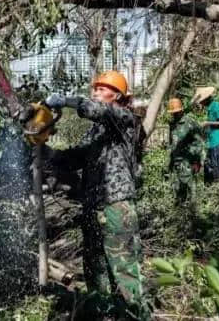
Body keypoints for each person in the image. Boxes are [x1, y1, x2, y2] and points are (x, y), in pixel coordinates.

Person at [45, 71, 151, 321]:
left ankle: (138, 315)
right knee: (95, 271)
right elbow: (73, 158)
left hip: (116, 205)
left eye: (102, 89)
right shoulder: (95, 133)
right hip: (93, 207)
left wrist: (67, 101)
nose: (96, 92)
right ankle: (103, 315)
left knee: (124, 271)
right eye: (95, 89)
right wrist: (44, 152)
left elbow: (96, 110)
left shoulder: (123, 118)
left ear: (117, 96)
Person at [167, 98, 204, 204]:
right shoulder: (172, 124)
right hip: (176, 161)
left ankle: (193, 211)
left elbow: (199, 142)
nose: (175, 115)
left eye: (177, 112)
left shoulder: (190, 122)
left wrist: (196, 161)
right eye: (173, 113)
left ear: (181, 110)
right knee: (177, 188)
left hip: (188, 161)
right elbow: (172, 144)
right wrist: (170, 161)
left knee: (190, 187)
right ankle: (180, 211)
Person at [191, 87, 219, 184]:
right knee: (208, 163)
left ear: (206, 99)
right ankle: (209, 185)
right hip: (211, 140)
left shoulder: (216, 105)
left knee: (215, 164)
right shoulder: (210, 107)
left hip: (218, 139)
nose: (201, 103)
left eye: (201, 101)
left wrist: (208, 123)